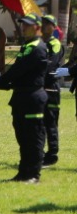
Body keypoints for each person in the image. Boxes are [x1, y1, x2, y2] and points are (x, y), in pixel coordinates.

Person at [0, 13, 50, 182]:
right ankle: (23, 172)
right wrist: (2, 83)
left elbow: (19, 71)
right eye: (23, 24)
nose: (23, 28)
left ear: (37, 27)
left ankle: (33, 174)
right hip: (22, 96)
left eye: (27, 25)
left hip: (33, 97)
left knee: (33, 137)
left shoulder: (37, 47)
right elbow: (18, 72)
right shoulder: (27, 46)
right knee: (23, 136)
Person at [40, 13, 65, 167]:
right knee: (40, 122)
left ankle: (52, 154)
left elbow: (50, 65)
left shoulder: (54, 43)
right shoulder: (40, 42)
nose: (44, 26)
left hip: (51, 88)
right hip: (41, 87)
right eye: (43, 23)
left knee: (50, 122)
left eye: (48, 23)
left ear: (54, 27)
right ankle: (41, 154)